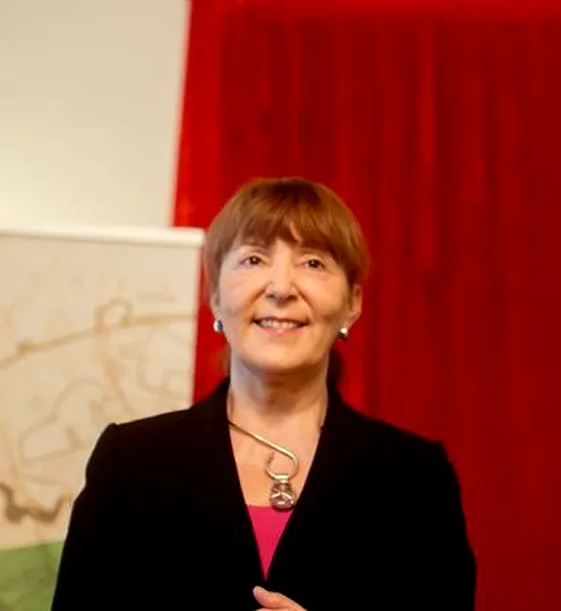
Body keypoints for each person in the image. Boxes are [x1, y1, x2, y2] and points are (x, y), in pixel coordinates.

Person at [52, 177, 476, 610]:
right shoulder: (129, 462)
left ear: (352, 303)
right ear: (215, 295)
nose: (281, 288)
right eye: (254, 259)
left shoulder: (415, 478)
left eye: (313, 263)